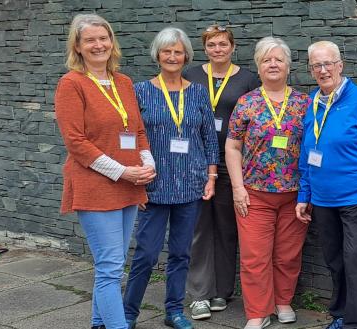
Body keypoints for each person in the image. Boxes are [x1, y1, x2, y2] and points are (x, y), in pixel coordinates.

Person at [55, 14, 155, 329]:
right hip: (95, 185)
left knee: (112, 265)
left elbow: (137, 130)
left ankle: (100, 323)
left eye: (104, 38)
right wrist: (123, 172)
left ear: (112, 42)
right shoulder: (71, 83)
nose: (99, 45)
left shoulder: (123, 82)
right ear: (78, 46)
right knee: (110, 268)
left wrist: (147, 163)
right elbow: (76, 142)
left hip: (128, 183)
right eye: (90, 40)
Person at [122, 27, 218, 329]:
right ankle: (128, 313)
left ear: (186, 55)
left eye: (178, 51)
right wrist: (132, 180)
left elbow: (208, 138)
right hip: (153, 185)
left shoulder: (198, 92)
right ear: (158, 55)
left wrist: (211, 175)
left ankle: (174, 311)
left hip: (190, 186)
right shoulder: (141, 91)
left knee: (181, 253)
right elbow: (129, 137)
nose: (173, 56)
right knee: (146, 255)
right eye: (167, 51)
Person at [296, 41, 357, 329]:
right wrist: (305, 194)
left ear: (340, 65)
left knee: (352, 262)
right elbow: (306, 152)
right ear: (311, 69)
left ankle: (355, 324)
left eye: (328, 64)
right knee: (335, 260)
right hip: (323, 200)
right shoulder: (313, 101)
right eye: (316, 65)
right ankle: (340, 314)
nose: (323, 70)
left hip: (356, 199)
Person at [225, 36, 311, 329]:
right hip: (254, 194)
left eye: (278, 59)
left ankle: (282, 301)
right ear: (258, 68)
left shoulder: (304, 103)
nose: (272, 64)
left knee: (288, 254)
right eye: (266, 59)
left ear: (288, 66)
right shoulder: (246, 102)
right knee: (254, 257)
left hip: (295, 195)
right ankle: (257, 313)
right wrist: (237, 188)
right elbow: (232, 146)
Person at [182, 24, 261, 320]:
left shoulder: (247, 79)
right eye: (212, 45)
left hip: (233, 166)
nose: (218, 49)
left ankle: (222, 291)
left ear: (232, 46)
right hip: (197, 163)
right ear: (205, 48)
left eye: (223, 44)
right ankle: (200, 294)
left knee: (228, 229)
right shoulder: (190, 76)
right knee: (199, 229)